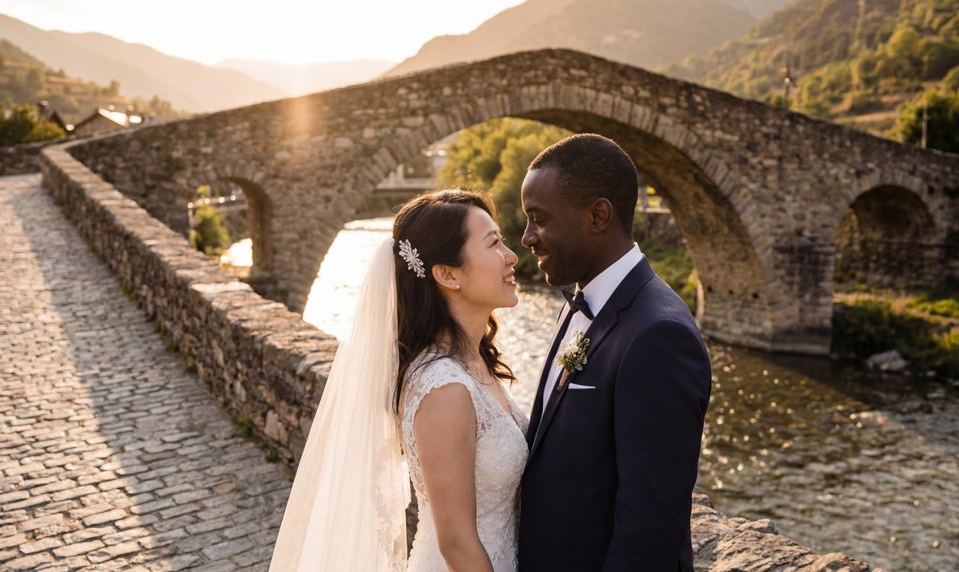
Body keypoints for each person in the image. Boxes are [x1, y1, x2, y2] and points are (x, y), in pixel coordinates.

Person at [269, 190, 528, 571]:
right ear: (447, 274)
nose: (511, 256)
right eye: (494, 244)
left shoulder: (471, 361)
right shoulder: (445, 388)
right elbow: (455, 542)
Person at [518, 134, 712, 571]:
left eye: (539, 218)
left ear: (598, 216)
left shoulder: (658, 336)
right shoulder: (579, 302)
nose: (527, 237)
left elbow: (650, 532)